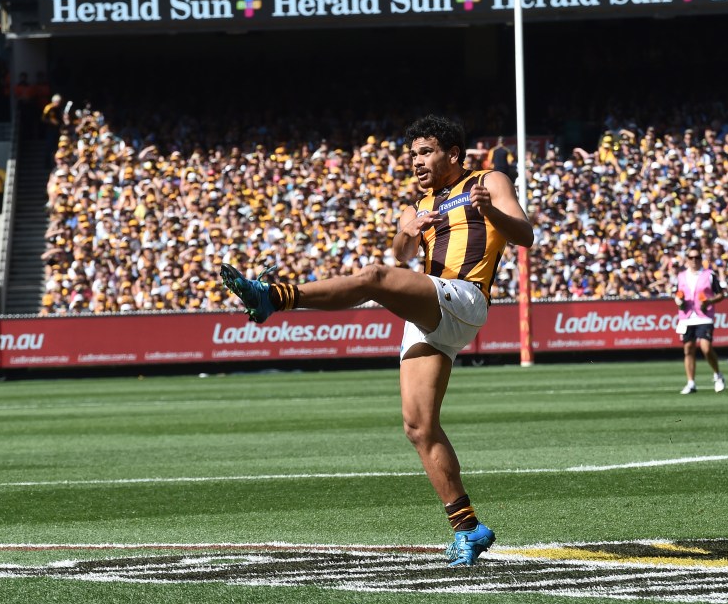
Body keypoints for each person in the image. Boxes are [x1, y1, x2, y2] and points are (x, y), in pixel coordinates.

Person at [219, 115, 534, 567]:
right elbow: (402, 254)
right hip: (432, 306)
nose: (416, 161)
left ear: (453, 154)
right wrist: (407, 231)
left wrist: (492, 211)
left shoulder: (489, 181)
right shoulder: (423, 200)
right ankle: (468, 529)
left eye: (425, 152)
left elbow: (526, 235)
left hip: (464, 296)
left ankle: (275, 296)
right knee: (418, 426)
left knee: (373, 278)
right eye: (412, 155)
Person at [673, 249, 727, 394]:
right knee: (688, 349)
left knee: (706, 348)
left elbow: (721, 294)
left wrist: (709, 300)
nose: (694, 260)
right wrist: (679, 300)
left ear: (700, 258)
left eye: (697, 257)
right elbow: (676, 294)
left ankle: (718, 375)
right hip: (686, 317)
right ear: (687, 259)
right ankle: (691, 382)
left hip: (704, 315)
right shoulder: (681, 276)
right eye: (691, 257)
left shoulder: (709, 275)